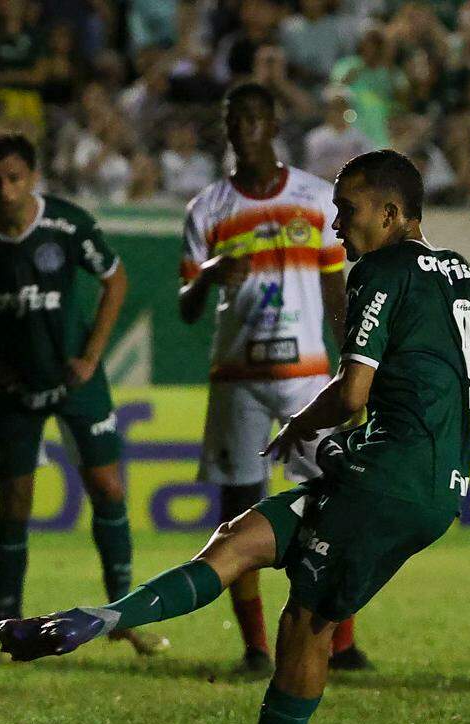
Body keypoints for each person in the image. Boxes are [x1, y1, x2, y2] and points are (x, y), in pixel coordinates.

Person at [0, 150, 470, 724]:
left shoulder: (379, 271)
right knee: (239, 538)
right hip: (417, 484)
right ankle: (92, 620)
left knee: (305, 625)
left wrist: (302, 424)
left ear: (392, 213)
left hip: (387, 480)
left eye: (347, 212)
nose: (335, 225)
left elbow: (352, 392)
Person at [0, 132, 167, 657]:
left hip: (75, 380)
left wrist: (92, 354)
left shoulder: (66, 224)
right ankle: (9, 630)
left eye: (14, 180)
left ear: (34, 180)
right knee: (14, 505)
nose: (3, 191)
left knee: (108, 488)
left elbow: (114, 280)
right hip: (14, 387)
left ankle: (122, 617)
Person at [178, 82, 368, 674]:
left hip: (307, 373)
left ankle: (341, 643)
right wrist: (209, 274)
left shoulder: (315, 199)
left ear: (274, 123)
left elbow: (337, 291)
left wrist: (352, 365)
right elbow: (186, 305)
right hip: (238, 376)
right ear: (227, 127)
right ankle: (256, 648)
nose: (247, 129)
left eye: (257, 117)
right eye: (237, 119)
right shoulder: (207, 208)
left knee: (333, 501)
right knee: (237, 507)